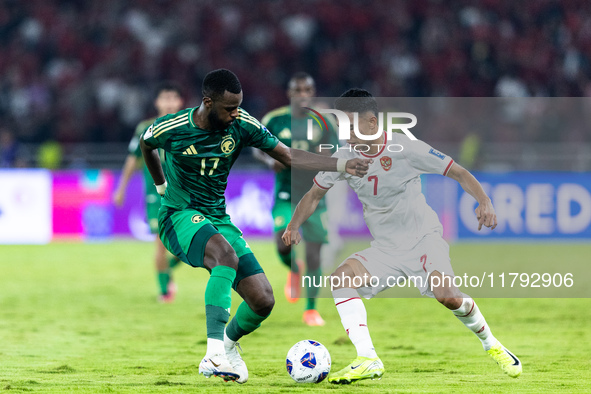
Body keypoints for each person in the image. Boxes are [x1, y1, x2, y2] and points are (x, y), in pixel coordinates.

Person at [140, 69, 370, 383]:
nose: (236, 113)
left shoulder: (243, 125)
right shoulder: (176, 126)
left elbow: (288, 155)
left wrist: (339, 164)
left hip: (217, 217)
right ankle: (213, 354)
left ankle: (229, 346)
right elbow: (146, 143)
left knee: (263, 300)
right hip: (179, 214)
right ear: (208, 102)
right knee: (225, 255)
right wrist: (161, 185)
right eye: (229, 108)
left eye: (238, 106)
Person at [283, 88, 522, 384]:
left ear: (372, 123)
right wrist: (293, 225)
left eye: (352, 125)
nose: (346, 134)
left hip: (423, 239)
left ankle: (492, 345)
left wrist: (484, 201)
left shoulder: (406, 149)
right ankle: (368, 358)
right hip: (386, 249)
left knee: (447, 296)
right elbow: (315, 194)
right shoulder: (344, 158)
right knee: (341, 280)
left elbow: (458, 172)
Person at [256, 72, 338, 326]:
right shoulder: (274, 119)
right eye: (297, 90)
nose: (302, 95)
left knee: (315, 254)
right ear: (290, 93)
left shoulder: (324, 123)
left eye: (307, 90)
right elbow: (256, 147)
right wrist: (270, 160)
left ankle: (311, 309)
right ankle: (293, 269)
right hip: (285, 193)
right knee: (283, 244)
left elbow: (336, 154)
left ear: (312, 93)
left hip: (315, 194)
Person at [113, 82, 184, 303]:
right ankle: (164, 292)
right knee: (161, 244)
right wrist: (121, 188)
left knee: (184, 246)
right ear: (157, 102)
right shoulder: (145, 126)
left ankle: (167, 270)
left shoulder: (188, 126)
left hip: (182, 193)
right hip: (156, 196)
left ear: (180, 102)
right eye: (165, 98)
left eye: (173, 98)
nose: (169, 102)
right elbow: (133, 158)